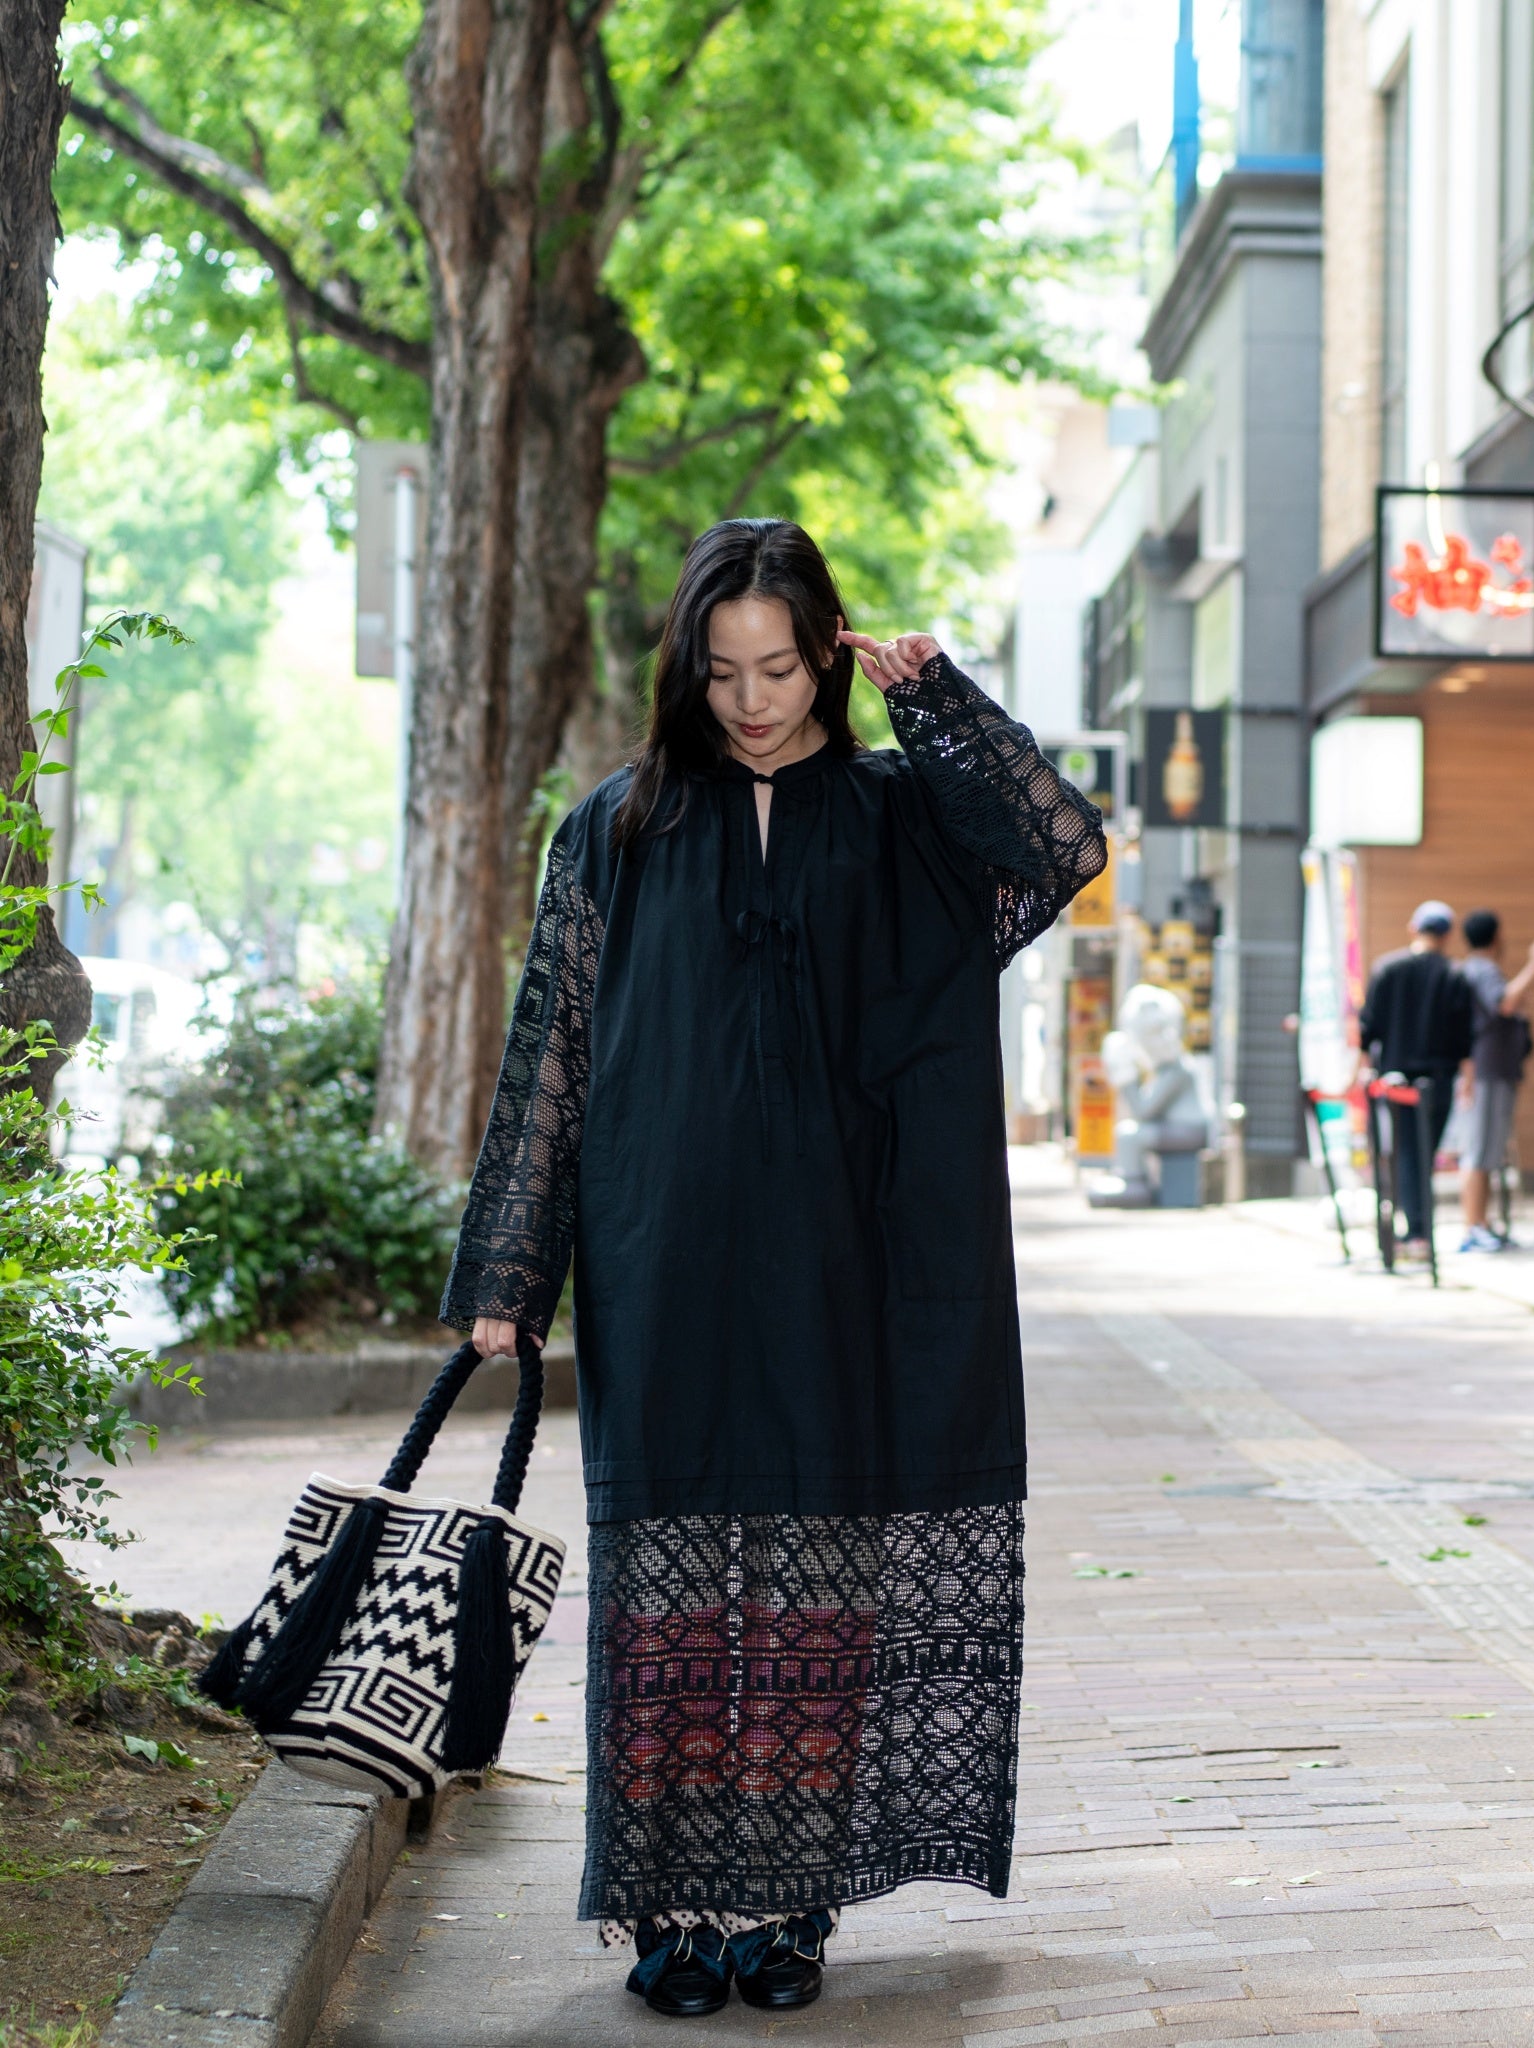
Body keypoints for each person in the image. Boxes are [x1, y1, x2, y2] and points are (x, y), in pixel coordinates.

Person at [447, 520, 1107, 2020]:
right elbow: (550, 1048)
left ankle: (789, 1912)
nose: (754, 699)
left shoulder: (904, 822)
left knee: (815, 1590)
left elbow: (1063, 845)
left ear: (827, 656)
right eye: (725, 670)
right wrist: (511, 1264)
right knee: (670, 1595)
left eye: (784, 667)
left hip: (853, 1258)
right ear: (689, 668)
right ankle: (671, 1908)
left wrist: (943, 705)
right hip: (660, 1253)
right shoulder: (614, 826)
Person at [1358, 900, 1474, 1255]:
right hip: (1438, 1076)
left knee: (1405, 1150)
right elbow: (1464, 1035)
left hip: (1394, 1077)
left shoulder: (1387, 969)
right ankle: (1420, 1230)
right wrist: (1468, 1077)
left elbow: (1368, 1027)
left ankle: (1414, 1230)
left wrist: (1362, 1070)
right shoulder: (1455, 975)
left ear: (1413, 928)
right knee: (1424, 1151)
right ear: (1448, 934)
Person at [1454, 910, 1534, 1252]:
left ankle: (1481, 1224)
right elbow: (1505, 1002)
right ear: (1496, 937)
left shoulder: (1475, 970)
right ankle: (1473, 1228)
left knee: (1488, 1151)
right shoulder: (1482, 970)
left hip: (1491, 1071)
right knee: (1480, 1151)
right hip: (1486, 1072)